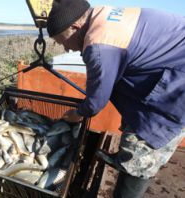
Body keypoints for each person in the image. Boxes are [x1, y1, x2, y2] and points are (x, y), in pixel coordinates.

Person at [47, 0, 185, 197]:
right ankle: (127, 157)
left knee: (143, 147)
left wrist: (78, 113)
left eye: (63, 42)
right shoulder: (102, 14)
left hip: (178, 81)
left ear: (75, 27)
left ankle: (130, 181)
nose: (66, 49)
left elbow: (96, 100)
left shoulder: (99, 44)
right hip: (168, 63)